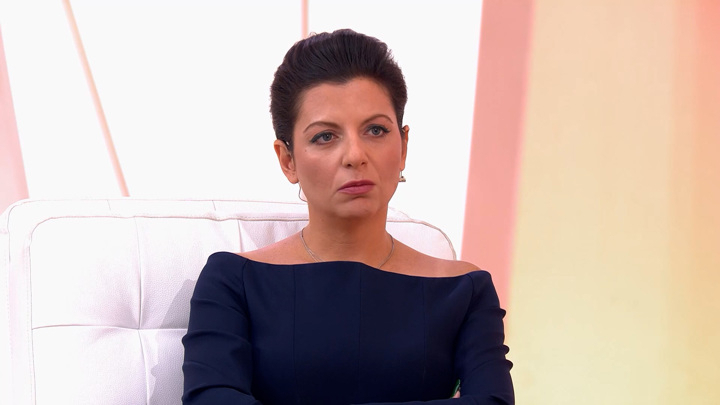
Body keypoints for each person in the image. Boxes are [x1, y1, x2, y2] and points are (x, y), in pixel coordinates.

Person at [182, 29, 514, 404]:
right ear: (288, 160)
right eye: (325, 136)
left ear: (403, 147)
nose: (355, 155)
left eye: (376, 130)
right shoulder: (234, 282)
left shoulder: (465, 290)